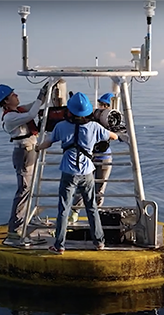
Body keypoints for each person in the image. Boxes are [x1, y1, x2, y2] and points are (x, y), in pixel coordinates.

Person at [36, 92, 118, 254]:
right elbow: (114, 137)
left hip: (68, 173)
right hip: (87, 172)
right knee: (92, 208)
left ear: (70, 111)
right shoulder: (94, 127)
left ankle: (59, 245)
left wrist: (37, 148)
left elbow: (48, 142)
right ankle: (99, 242)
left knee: (64, 209)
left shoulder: (61, 126)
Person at [0, 82, 50, 239]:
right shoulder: (11, 117)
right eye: (13, 95)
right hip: (24, 153)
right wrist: (40, 95)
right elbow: (31, 115)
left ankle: (23, 219)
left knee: (28, 189)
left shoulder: (18, 111)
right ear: (5, 101)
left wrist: (45, 93)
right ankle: (16, 227)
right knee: (24, 190)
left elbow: (34, 106)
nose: (16, 96)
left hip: (30, 150)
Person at [69, 92, 115, 223]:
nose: (102, 107)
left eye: (105, 105)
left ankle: (96, 214)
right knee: (82, 186)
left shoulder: (107, 121)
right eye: (101, 105)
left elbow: (115, 135)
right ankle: (75, 211)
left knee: (99, 188)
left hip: (104, 157)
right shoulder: (92, 121)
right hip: (91, 158)